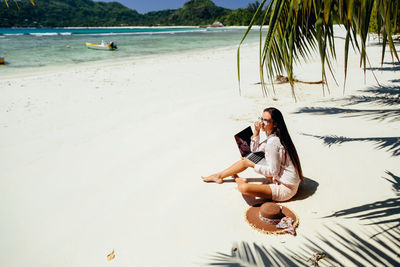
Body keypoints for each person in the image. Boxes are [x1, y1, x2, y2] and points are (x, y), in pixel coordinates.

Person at [201, 107, 304, 202]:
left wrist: (252, 165)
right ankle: (218, 176)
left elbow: (273, 171)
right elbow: (255, 151)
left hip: (285, 189)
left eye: (266, 120)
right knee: (247, 159)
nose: (261, 123)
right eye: (261, 118)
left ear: (275, 124)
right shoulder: (275, 136)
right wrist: (256, 132)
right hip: (282, 178)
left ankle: (239, 180)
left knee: (243, 188)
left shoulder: (273, 142)